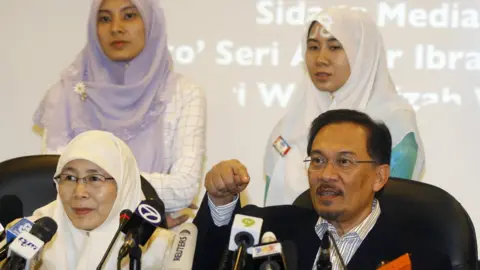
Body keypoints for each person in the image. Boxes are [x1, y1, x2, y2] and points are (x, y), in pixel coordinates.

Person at [193, 109, 450, 270]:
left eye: (344, 161)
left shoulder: (418, 258)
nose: (326, 174)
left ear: (379, 176)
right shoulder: (268, 230)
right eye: (317, 160)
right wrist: (221, 200)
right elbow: (207, 261)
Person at [32, 0, 205, 224]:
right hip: (77, 238)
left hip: (155, 241)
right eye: (104, 18)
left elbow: (184, 188)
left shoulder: (183, 93)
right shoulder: (65, 94)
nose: (116, 28)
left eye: (129, 16)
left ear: (151, 23)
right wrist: (146, 198)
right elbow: (57, 180)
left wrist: (90, 182)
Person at [263, 7, 425, 206]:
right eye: (313, 47)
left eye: (335, 47)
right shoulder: (288, 126)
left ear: (362, 53)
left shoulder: (394, 122)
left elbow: (392, 208)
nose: (321, 59)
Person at [26, 130, 174, 269]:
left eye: (94, 178)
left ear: (124, 185)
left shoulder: (164, 250)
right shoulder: (31, 234)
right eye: (70, 178)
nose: (79, 193)